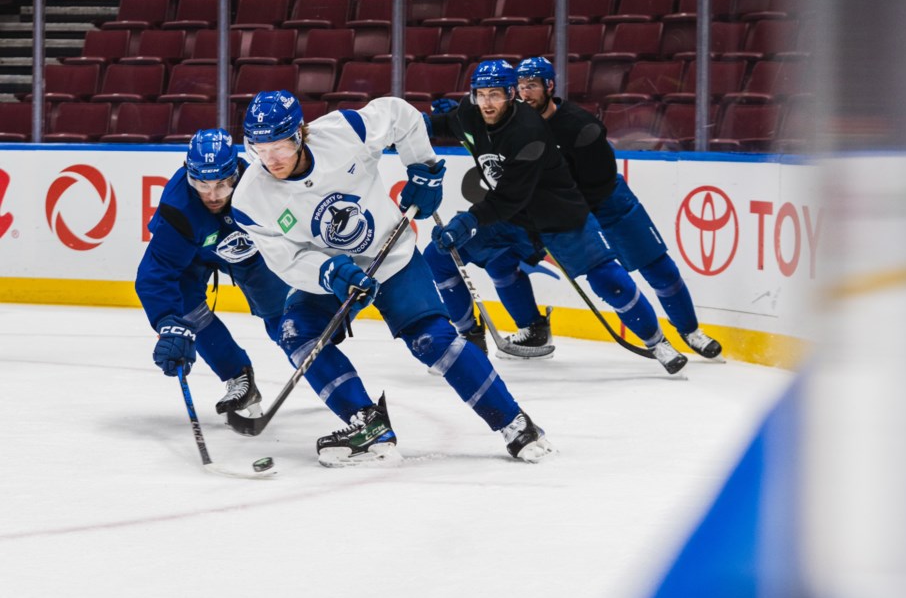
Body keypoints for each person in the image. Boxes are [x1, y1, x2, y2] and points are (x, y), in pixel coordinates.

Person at [229, 89, 554, 465]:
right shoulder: (250, 199)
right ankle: (367, 425)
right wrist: (328, 272)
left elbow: (400, 114)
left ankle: (515, 424)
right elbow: (286, 260)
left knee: (433, 340)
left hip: (391, 255)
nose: (271, 160)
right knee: (296, 333)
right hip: (332, 274)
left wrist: (424, 166)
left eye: (280, 147)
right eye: (260, 149)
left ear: (301, 132)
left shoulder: (344, 131)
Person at [424, 60, 689, 375]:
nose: (487, 102)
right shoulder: (471, 111)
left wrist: (469, 220)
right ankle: (471, 338)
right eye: (481, 94)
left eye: (495, 94)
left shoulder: (528, 131)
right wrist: (413, 128)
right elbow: (443, 125)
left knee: (607, 279)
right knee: (439, 256)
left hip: (557, 213)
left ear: (511, 94)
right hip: (513, 219)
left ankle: (658, 342)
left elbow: (510, 196)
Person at [514, 56, 722, 358]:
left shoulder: (581, 126)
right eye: (521, 87)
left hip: (608, 203)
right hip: (571, 214)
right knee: (608, 281)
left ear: (549, 85)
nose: (525, 93)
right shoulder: (519, 128)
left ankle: (691, 331)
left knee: (660, 268)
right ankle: (658, 342)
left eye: (531, 86)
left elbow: (599, 179)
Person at [136, 129, 291, 416]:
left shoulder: (262, 187)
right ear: (188, 173)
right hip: (193, 253)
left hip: (252, 255)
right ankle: (238, 377)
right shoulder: (179, 206)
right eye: (201, 184)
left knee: (285, 322)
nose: (212, 195)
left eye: (222, 184)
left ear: (237, 173)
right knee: (185, 309)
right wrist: (168, 324)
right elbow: (154, 275)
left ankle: (316, 361)